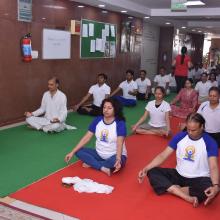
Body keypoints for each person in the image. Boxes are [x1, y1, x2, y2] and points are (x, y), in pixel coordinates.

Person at [138, 113, 219, 207]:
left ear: (202, 127)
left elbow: (213, 166)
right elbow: (163, 155)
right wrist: (145, 169)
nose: (190, 132)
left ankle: (172, 189)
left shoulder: (210, 142)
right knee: (152, 171)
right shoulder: (180, 137)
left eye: (194, 130)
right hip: (178, 174)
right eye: (188, 129)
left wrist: (216, 186)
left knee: (209, 189)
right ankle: (185, 195)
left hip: (199, 178)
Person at [65, 97, 127, 176]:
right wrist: (72, 152)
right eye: (104, 107)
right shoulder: (98, 120)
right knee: (77, 151)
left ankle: (93, 164)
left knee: (114, 162)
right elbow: (87, 137)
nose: (106, 110)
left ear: (116, 109)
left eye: (109, 108)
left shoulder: (119, 123)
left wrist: (118, 158)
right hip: (99, 154)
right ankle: (102, 167)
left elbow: (119, 143)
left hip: (115, 155)